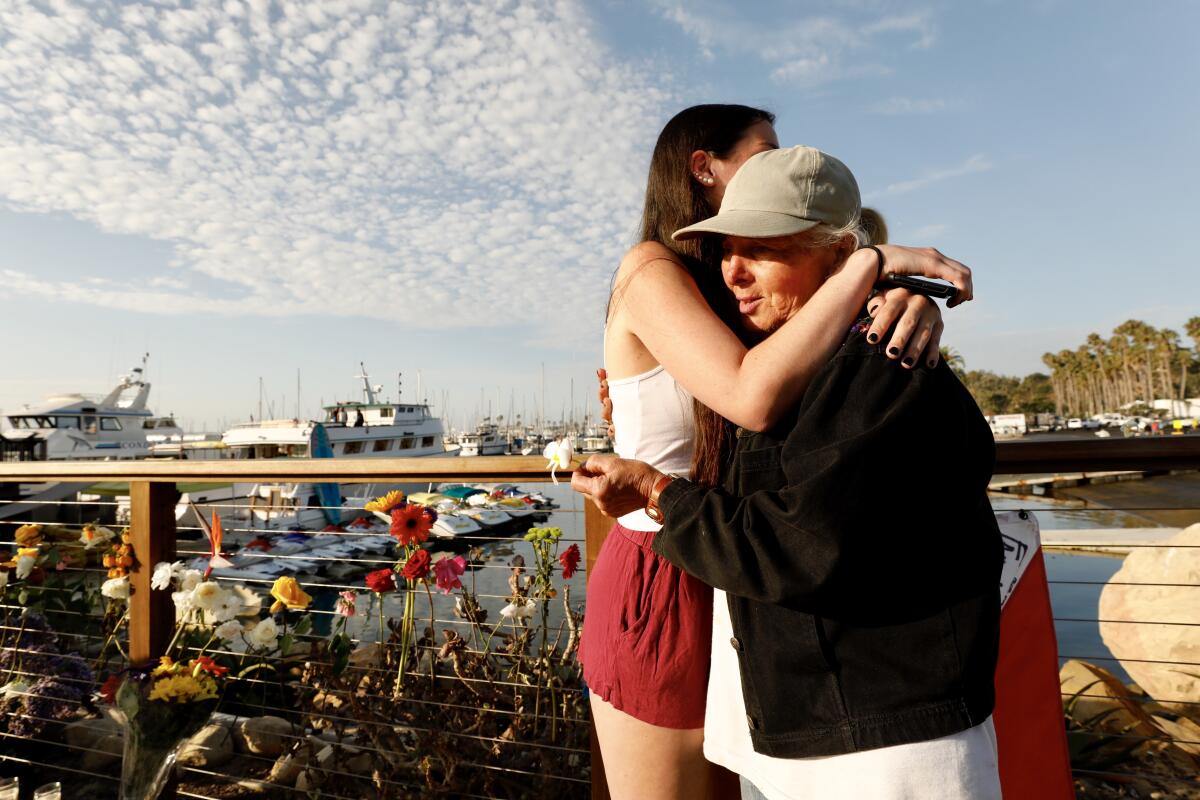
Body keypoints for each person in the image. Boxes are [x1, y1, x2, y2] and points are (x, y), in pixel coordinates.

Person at [574, 145, 1003, 799]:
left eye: (762, 249)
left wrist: (656, 491)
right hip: (819, 729)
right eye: (724, 251)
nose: (734, 273)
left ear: (839, 253)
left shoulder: (882, 365)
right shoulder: (801, 357)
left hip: (886, 749)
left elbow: (795, 544)